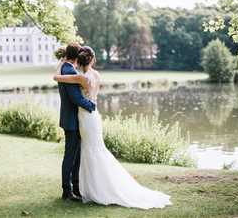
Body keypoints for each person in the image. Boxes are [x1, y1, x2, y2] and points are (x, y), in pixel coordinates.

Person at [54, 46, 172, 209]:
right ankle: (84, 187)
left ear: (80, 60)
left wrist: (60, 64)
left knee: (89, 152)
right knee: (92, 151)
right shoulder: (95, 75)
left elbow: (57, 79)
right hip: (93, 117)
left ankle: (86, 188)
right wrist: (91, 104)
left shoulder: (80, 77)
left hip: (86, 116)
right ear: (93, 59)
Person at [56, 43, 96, 201]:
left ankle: (75, 188)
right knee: (70, 156)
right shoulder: (69, 70)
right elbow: (75, 98)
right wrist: (91, 105)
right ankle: (67, 191)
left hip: (71, 118)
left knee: (75, 155)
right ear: (76, 55)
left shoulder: (64, 68)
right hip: (71, 120)